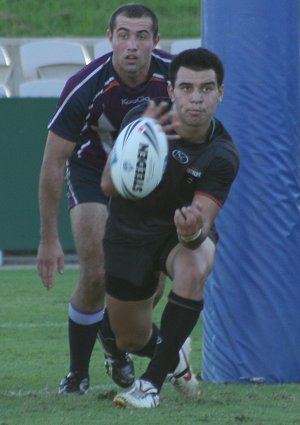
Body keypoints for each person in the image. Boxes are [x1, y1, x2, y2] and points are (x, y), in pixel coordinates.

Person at [36, 3, 173, 395]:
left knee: (149, 289)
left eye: (142, 36)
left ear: (156, 41)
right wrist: (48, 239)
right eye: (124, 35)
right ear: (110, 37)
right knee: (97, 274)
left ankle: (114, 349)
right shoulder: (87, 83)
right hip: (92, 173)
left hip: (151, 183)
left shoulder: (174, 77)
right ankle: (78, 373)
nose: (132, 45)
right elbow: (52, 160)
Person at [99, 47, 240, 408]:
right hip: (128, 232)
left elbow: (202, 223)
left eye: (207, 89)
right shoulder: (143, 118)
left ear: (220, 93)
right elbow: (108, 186)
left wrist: (191, 228)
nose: (197, 98)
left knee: (195, 261)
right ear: (171, 91)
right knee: (129, 339)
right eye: (187, 88)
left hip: (176, 237)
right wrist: (137, 139)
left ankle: (149, 386)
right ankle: (175, 358)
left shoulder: (222, 155)